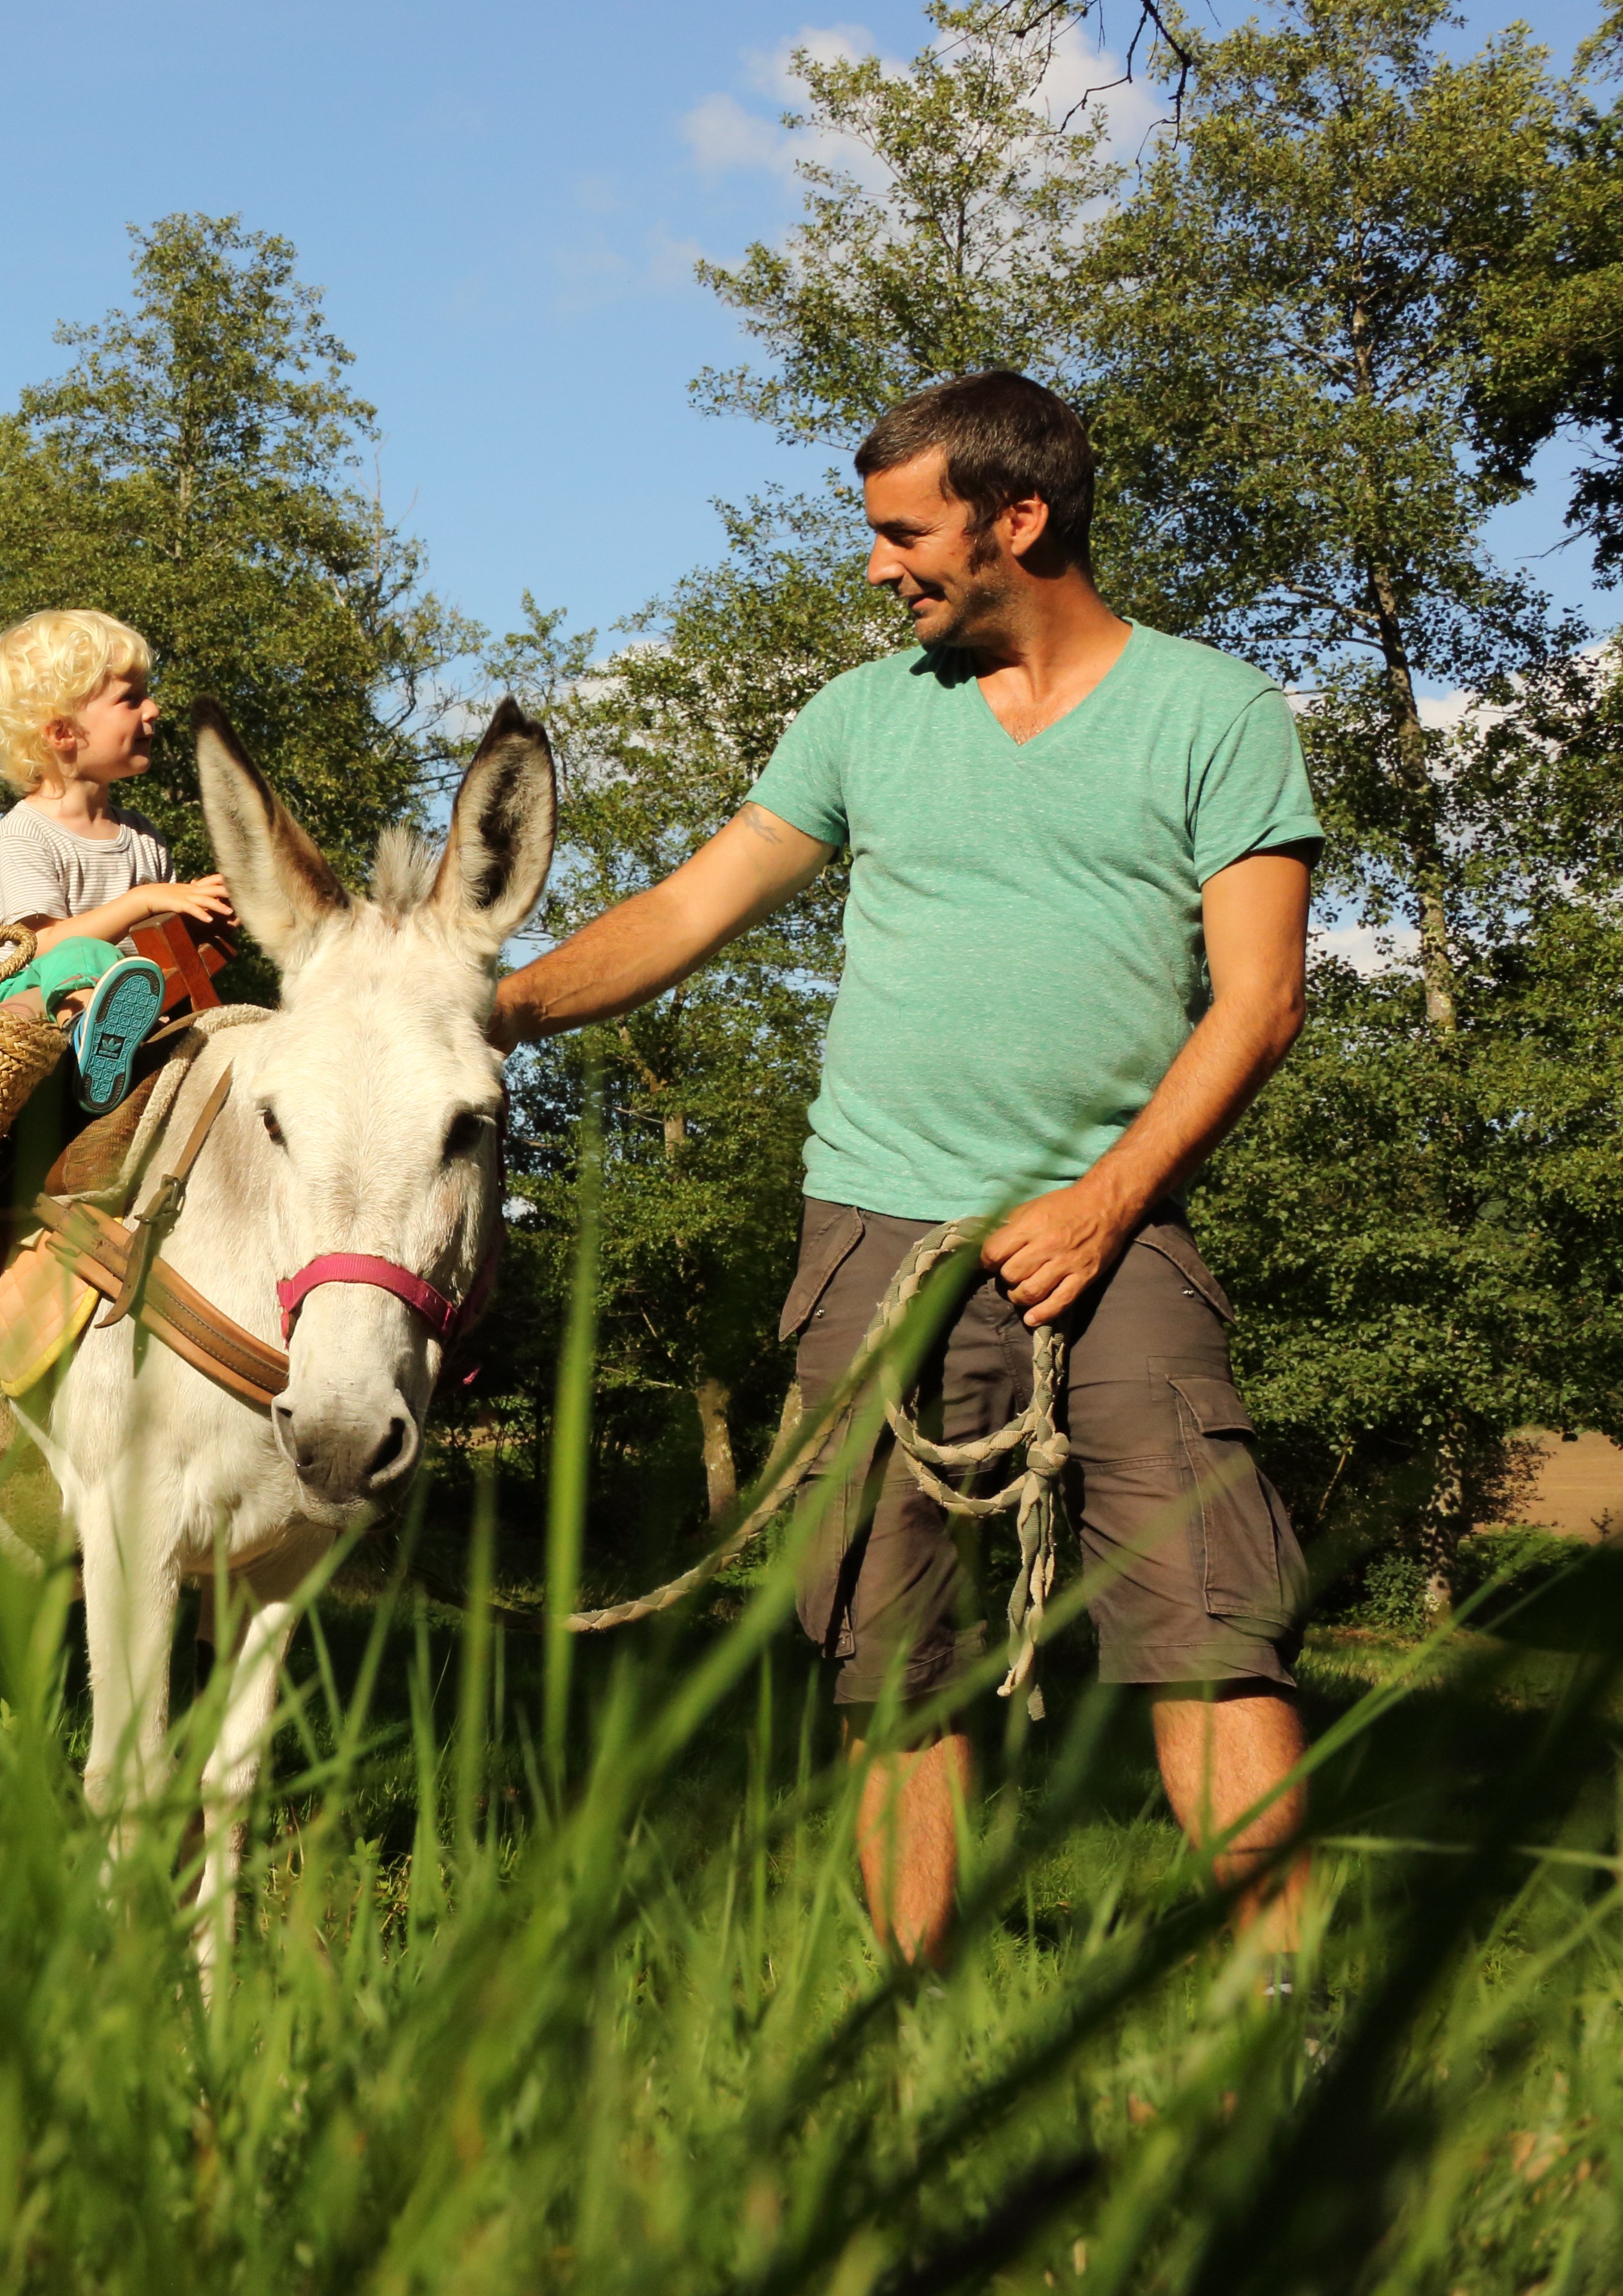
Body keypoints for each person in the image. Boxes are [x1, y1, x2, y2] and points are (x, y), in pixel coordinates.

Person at [491, 373, 1320, 1980]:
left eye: (902, 533)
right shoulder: (863, 718)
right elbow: (687, 910)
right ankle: (913, 2027)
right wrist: (489, 1010)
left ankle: (1282, 2023)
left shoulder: (1210, 714)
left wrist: (1104, 1199)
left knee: (1213, 1628)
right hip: (871, 1233)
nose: (877, 566)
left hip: (1113, 1227)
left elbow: (1260, 1000)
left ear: (1020, 519)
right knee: (887, 1656)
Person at [0, 609, 233, 1113]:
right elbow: (38, 946)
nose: (153, 709)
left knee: (125, 970)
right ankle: (87, 1038)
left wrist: (206, 916)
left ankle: (115, 1038)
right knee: (78, 955)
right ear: (62, 733)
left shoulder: (142, 836)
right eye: (130, 699)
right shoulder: (26, 832)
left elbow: (159, 935)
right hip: (23, 1000)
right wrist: (143, 900)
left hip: (131, 992)